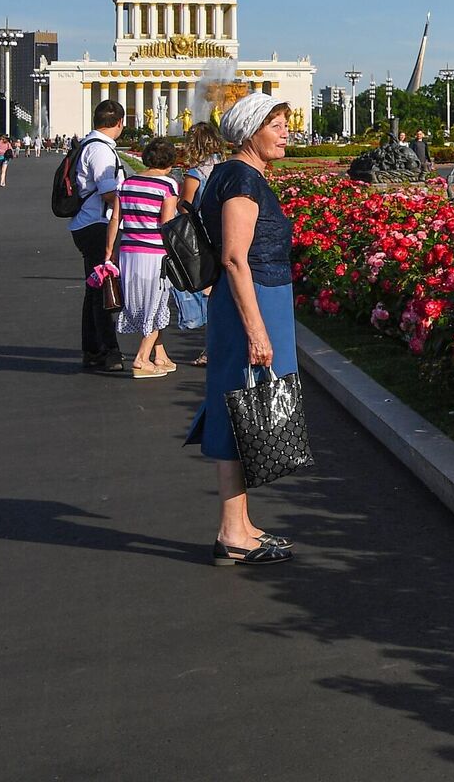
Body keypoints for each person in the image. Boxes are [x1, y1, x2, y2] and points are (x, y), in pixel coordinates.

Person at [188, 92, 297, 566]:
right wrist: (257, 330)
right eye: (275, 124)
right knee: (241, 405)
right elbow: (235, 257)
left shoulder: (238, 174)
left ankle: (240, 524)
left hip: (258, 300)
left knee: (243, 404)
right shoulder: (240, 177)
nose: (285, 132)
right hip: (250, 305)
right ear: (250, 130)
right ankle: (233, 531)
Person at [116, 137, 181, 379]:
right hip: (155, 253)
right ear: (171, 161)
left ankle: (160, 355)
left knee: (145, 303)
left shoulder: (127, 183)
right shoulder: (167, 186)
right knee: (157, 304)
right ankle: (141, 359)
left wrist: (110, 253)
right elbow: (166, 224)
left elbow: (117, 219)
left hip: (129, 251)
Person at [71, 100, 127, 372]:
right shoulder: (102, 151)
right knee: (102, 289)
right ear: (119, 122)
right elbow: (108, 193)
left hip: (88, 223)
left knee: (94, 290)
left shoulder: (89, 145)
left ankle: (94, 349)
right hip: (98, 224)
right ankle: (108, 350)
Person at [177, 123, 225, 367]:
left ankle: (211, 348)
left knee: (208, 294)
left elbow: (184, 207)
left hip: (203, 238)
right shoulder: (224, 169)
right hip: (224, 234)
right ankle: (216, 346)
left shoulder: (194, 175)